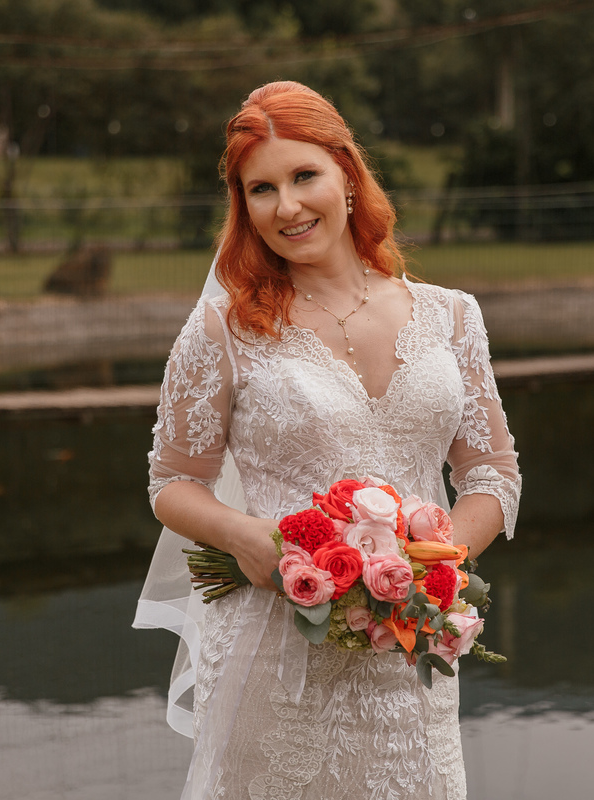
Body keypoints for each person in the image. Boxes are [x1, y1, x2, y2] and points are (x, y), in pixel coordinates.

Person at [134, 81, 520, 800]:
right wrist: (248, 537)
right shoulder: (226, 329)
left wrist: (432, 567)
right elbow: (172, 482)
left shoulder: (452, 317)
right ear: (242, 206)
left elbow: (493, 473)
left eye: (303, 175)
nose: (287, 206)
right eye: (261, 189)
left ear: (347, 172)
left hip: (409, 646)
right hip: (275, 642)